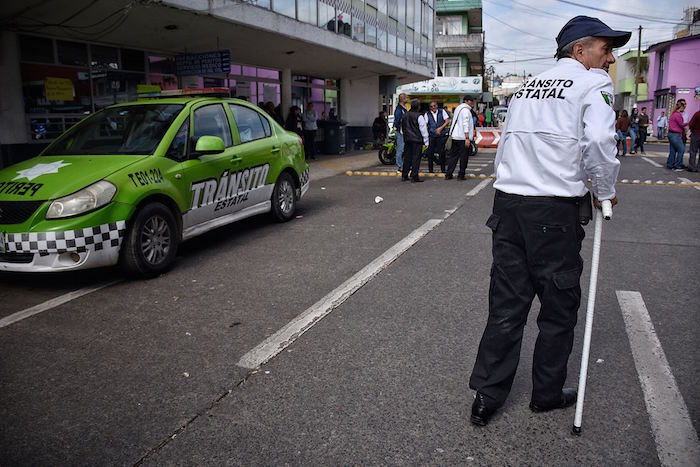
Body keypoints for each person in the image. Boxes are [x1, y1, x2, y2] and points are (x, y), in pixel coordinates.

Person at [469, 15, 625, 427]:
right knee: (557, 308)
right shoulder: (593, 83)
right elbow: (597, 142)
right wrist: (604, 190)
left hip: (509, 204)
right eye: (605, 49)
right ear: (579, 50)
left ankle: (487, 396)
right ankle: (546, 394)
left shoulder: (526, 89)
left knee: (506, 304)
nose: (610, 58)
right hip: (553, 210)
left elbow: (507, 146)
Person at [445, 95, 475, 180]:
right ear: (466, 101)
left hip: (455, 136)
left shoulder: (458, 108)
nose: (472, 103)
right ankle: (461, 175)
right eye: (471, 101)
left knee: (453, 157)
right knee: (463, 157)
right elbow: (465, 124)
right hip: (462, 138)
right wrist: (467, 138)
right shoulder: (465, 110)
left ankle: (448, 174)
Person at [401, 98, 429, 182]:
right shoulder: (419, 116)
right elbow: (423, 130)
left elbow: (402, 128)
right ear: (418, 107)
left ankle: (404, 175)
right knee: (416, 158)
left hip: (407, 139)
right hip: (417, 140)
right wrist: (426, 141)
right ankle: (414, 176)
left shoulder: (405, 115)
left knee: (407, 158)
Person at [425, 101, 451, 173]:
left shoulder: (442, 111)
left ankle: (443, 169)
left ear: (437, 105)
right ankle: (430, 170)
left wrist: (441, 128)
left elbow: (447, 120)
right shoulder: (427, 114)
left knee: (442, 152)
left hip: (441, 135)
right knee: (430, 153)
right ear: (430, 107)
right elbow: (425, 124)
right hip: (431, 136)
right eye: (431, 106)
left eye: (434, 105)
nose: (433, 107)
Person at [666, 99, 688, 171]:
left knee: (673, 150)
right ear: (681, 106)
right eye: (684, 104)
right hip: (675, 135)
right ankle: (677, 165)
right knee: (681, 149)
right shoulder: (678, 115)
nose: (685, 106)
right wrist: (689, 123)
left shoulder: (673, 114)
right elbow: (681, 124)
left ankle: (670, 164)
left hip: (671, 134)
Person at [393, 93, 409, 173]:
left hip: (404, 131)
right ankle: (400, 166)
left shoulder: (404, 108)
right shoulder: (399, 110)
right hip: (400, 132)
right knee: (400, 149)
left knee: (404, 149)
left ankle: (403, 166)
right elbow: (397, 121)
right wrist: (400, 130)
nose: (407, 99)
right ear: (402, 99)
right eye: (406, 98)